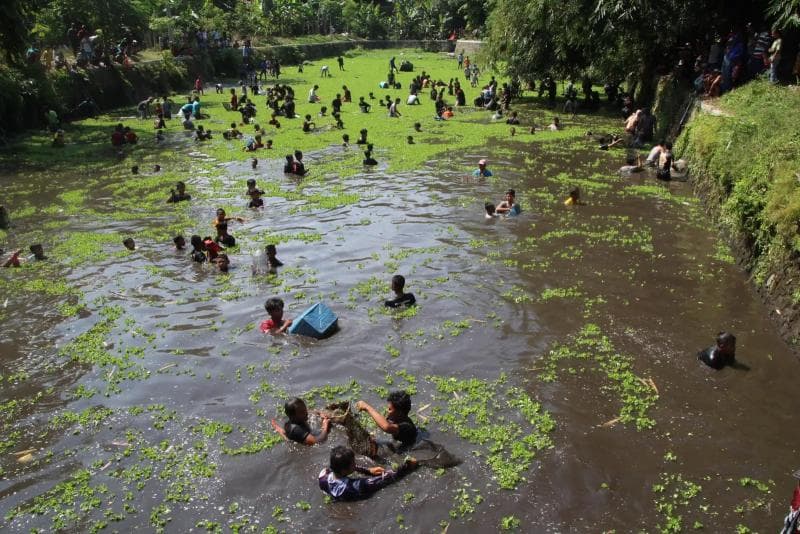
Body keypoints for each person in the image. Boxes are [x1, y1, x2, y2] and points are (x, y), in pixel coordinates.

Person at [318, 446, 417, 502]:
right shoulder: (358, 485)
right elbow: (387, 478)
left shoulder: (323, 476)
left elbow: (334, 467)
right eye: (353, 463)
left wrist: (368, 470)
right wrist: (406, 466)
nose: (355, 464)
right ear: (344, 470)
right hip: (353, 495)